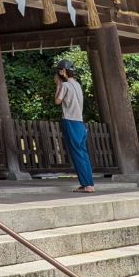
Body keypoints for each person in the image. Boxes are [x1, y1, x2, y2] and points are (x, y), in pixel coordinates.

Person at [55, 59, 95, 192]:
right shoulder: (77, 84)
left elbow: (57, 101)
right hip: (80, 122)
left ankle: (86, 185)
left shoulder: (65, 85)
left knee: (77, 154)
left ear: (63, 71)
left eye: (59, 70)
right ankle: (89, 184)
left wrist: (58, 85)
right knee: (83, 154)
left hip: (70, 121)